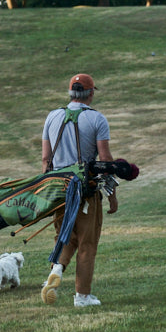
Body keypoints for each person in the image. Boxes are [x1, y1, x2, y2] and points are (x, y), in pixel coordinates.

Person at [39, 74, 118, 307]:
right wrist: (112, 195)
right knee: (87, 242)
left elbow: (45, 159)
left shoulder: (52, 116)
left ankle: (56, 270)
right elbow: (105, 160)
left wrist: (48, 193)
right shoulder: (97, 119)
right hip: (86, 190)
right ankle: (82, 296)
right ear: (91, 93)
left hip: (58, 188)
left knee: (65, 237)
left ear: (70, 93)